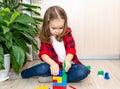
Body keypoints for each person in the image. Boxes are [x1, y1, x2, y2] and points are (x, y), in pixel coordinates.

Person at [21, 5, 90, 82]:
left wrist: (67, 61)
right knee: (42, 68)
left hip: (68, 66)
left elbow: (71, 49)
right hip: (53, 65)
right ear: (47, 25)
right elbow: (43, 53)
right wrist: (52, 64)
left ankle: (53, 79)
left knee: (82, 71)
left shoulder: (67, 33)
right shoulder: (46, 37)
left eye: (61, 28)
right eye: (54, 28)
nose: (57, 31)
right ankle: (24, 74)